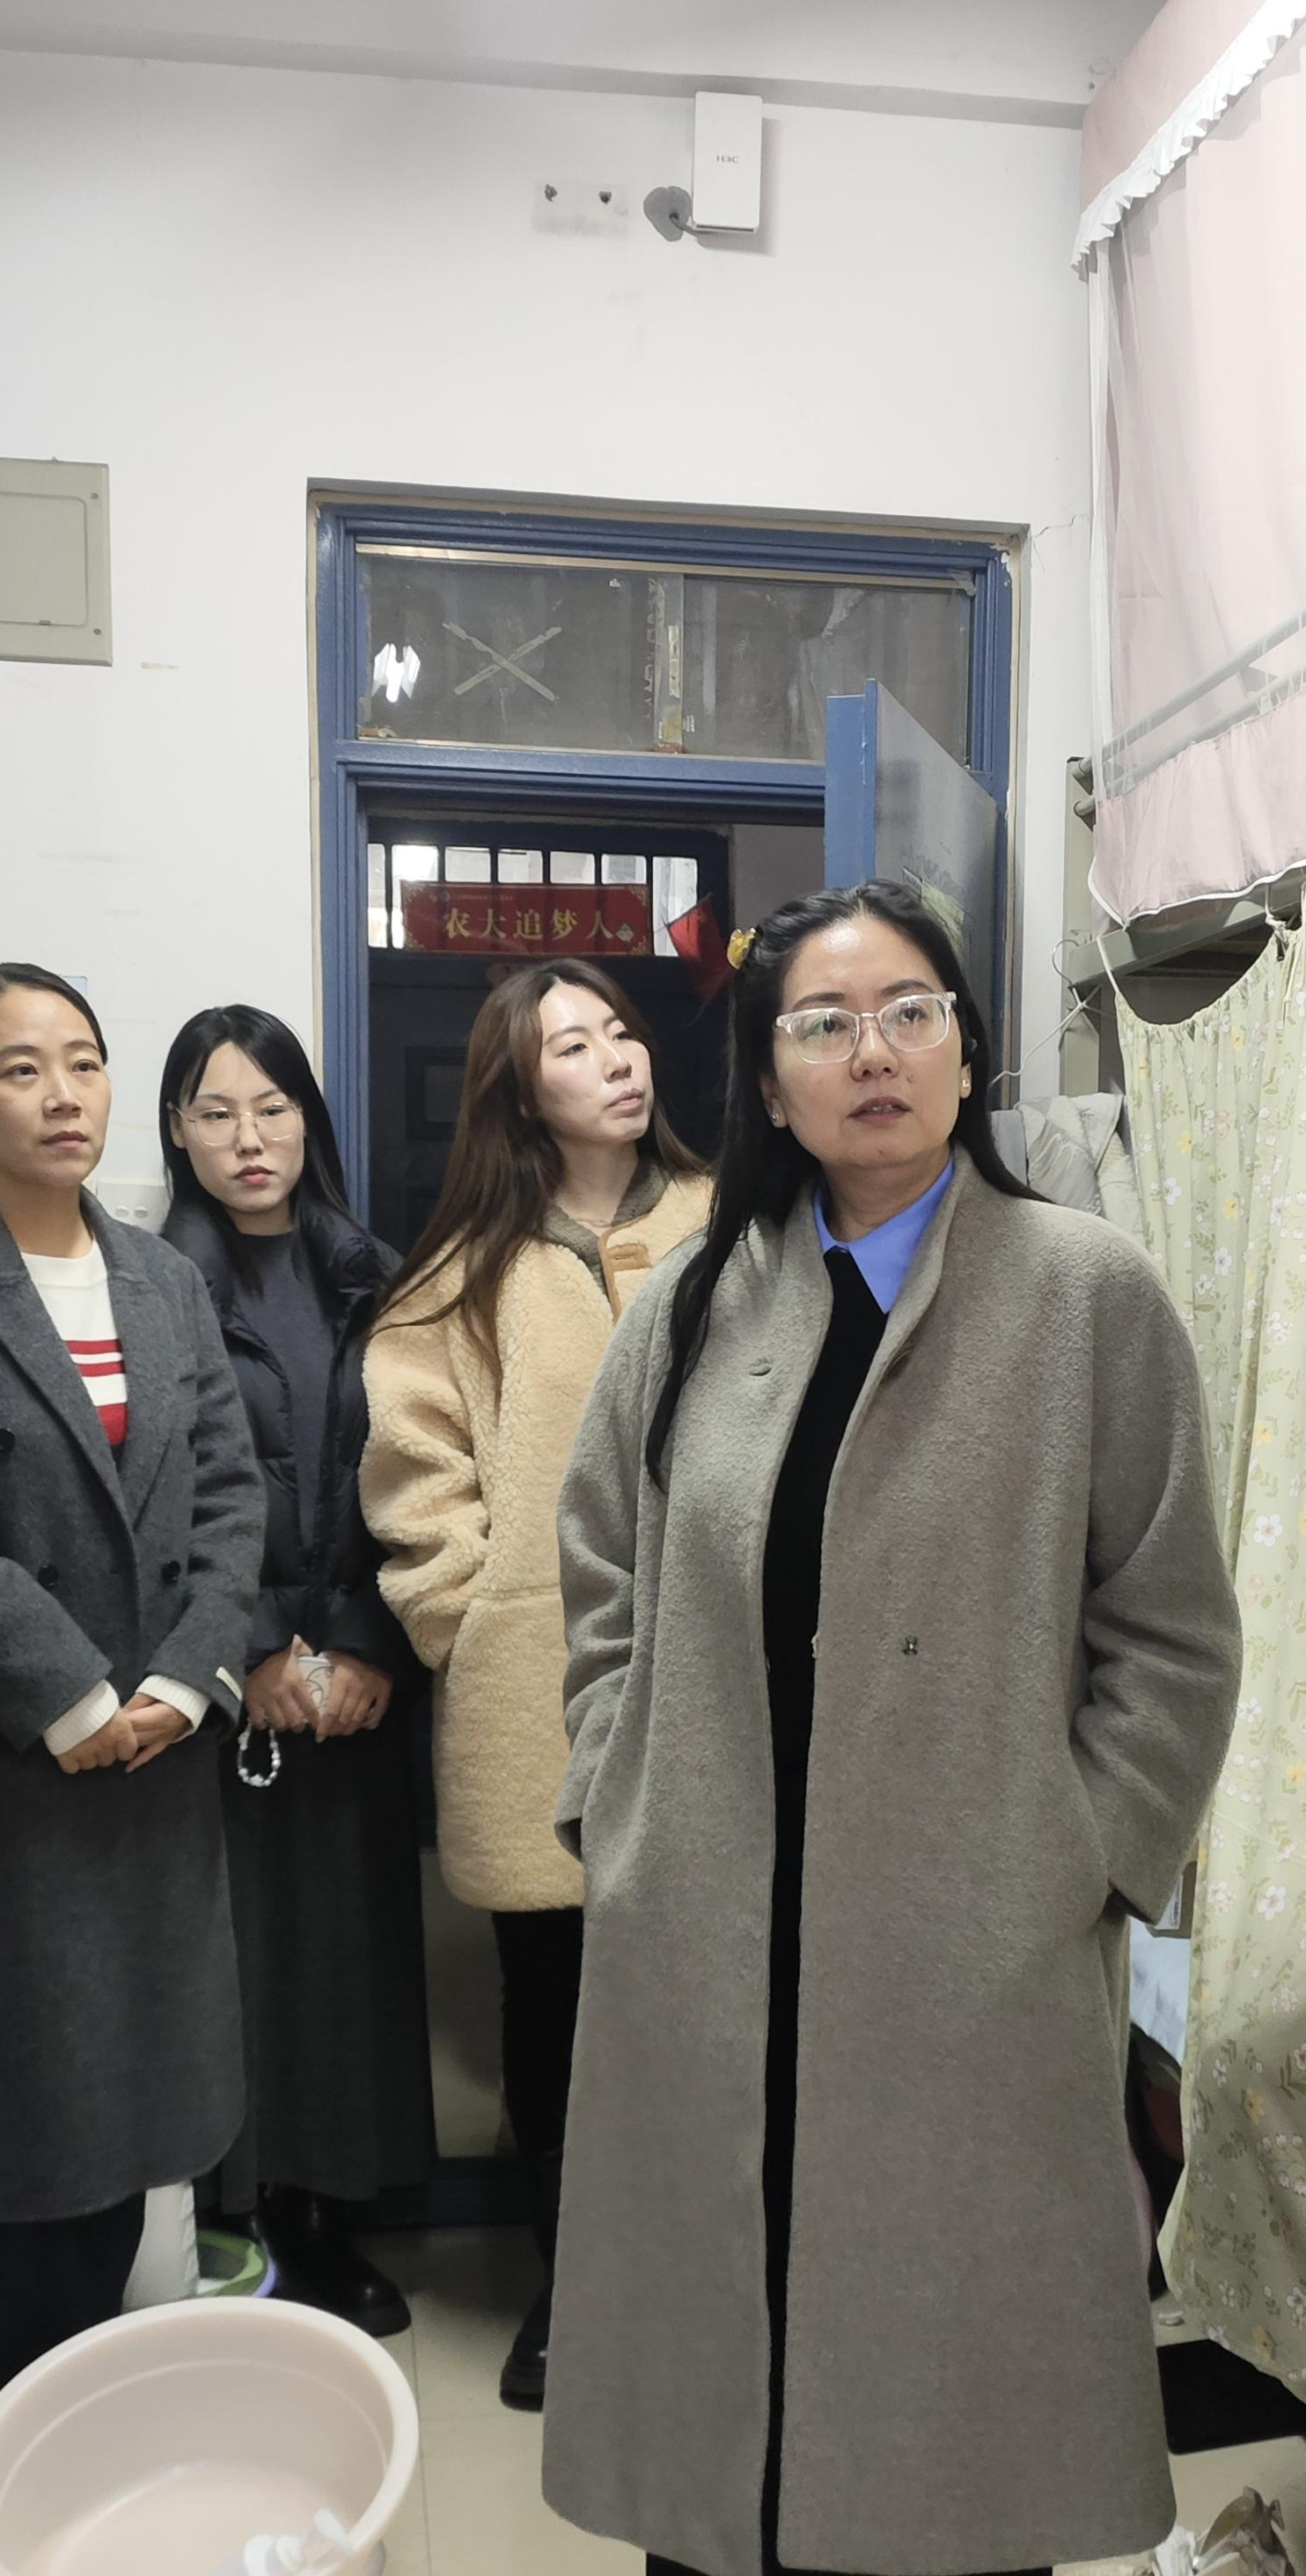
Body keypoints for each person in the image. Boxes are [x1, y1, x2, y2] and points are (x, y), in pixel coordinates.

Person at [545, 880, 1243, 2576]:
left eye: (909, 1011)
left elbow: (1168, 1635)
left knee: (937, 2371)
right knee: (731, 2335)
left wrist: (1074, 1856)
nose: (871, 1052)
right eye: (823, 1022)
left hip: (960, 1957)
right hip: (711, 1942)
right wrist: (619, 1803)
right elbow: (599, 1579)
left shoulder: (1083, 1296)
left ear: (963, 1046)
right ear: (765, 1075)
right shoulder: (693, 1303)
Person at [0, 963, 264, 2418]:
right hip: (14, 1773)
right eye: (20, 1069)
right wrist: (66, 1693)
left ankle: (109, 2454)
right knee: (29, 2151)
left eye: (86, 1062)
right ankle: (0, 2461)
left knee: (145, 2135)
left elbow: (231, 1499)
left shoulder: (164, 1280)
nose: (63, 1096)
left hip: (161, 1761)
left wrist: (186, 1679)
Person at [361, 960, 710, 2406]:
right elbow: (414, 1470)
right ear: (518, 1089)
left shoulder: (732, 1226)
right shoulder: (461, 1274)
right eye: (575, 1044)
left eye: (623, 1031)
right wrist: (468, 1610)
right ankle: (575, 2294)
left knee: (707, 1997)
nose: (618, 1058)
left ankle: (698, 2297)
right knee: (554, 2003)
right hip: (533, 1685)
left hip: (718, 1676)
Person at [160, 1004, 434, 2333]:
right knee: (243, 1953)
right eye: (217, 1113)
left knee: (349, 1949)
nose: (248, 1138)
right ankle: (242, 2215)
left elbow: (426, 1466)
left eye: (271, 1109)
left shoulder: (381, 1275)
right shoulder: (152, 1282)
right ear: (178, 1131)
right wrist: (258, 1647)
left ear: (307, 1122)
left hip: (363, 1677)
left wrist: (371, 1643)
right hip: (227, 1685)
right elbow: (166, 1497)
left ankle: (331, 2213)